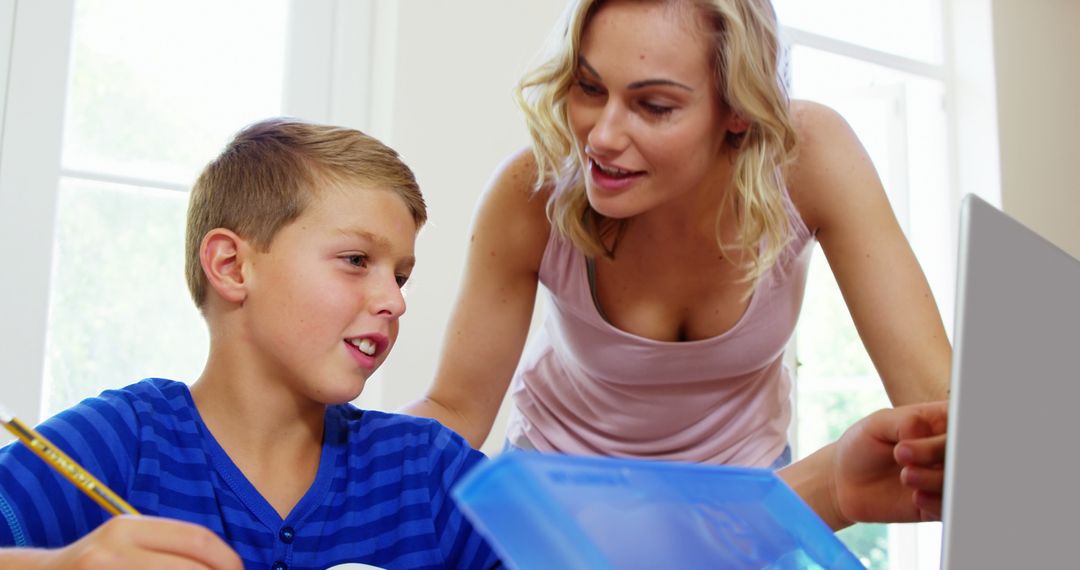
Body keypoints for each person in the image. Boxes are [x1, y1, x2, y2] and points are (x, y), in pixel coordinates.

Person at [404, 0, 951, 469]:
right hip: (559, 485)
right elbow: (456, 411)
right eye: (590, 87)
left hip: (742, 490)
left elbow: (938, 403)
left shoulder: (808, 158)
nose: (603, 135)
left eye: (654, 105)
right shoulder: (532, 189)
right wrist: (327, 448)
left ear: (737, 109)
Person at [0, 119, 499, 569]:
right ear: (231, 267)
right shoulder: (122, 443)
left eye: (401, 276)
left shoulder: (427, 470)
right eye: (355, 260)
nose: (394, 300)